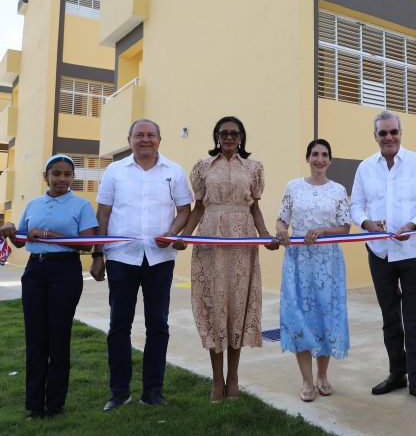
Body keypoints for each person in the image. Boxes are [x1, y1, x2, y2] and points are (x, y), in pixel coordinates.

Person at [172, 116, 277, 403]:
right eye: (224, 133)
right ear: (217, 136)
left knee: (237, 306)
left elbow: (255, 206)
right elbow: (198, 207)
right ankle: (217, 379)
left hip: (243, 240)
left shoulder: (254, 168)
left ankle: (234, 377)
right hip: (210, 239)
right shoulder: (203, 167)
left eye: (234, 133)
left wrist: (265, 234)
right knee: (215, 305)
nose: (229, 137)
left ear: (242, 137)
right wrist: (185, 235)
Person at [91, 119, 193, 411]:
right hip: (122, 257)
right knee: (119, 325)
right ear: (129, 139)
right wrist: (98, 254)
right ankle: (119, 392)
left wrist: (172, 232)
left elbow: (184, 209)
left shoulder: (174, 171)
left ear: (159, 140)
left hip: (159, 260)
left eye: (150, 135)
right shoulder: (115, 170)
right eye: (139, 135)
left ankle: (152, 392)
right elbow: (103, 213)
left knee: (158, 325)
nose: (145, 140)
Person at [350, 110, 416, 405]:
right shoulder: (365, 168)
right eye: (382, 133)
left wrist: (413, 225)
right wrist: (367, 223)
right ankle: (396, 374)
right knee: (390, 319)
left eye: (393, 132)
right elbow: (356, 206)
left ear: (401, 133)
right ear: (375, 136)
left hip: (412, 251)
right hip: (379, 251)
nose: (389, 137)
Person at [0, 155, 98, 419]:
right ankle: (34, 405)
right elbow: (22, 241)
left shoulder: (82, 205)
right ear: (46, 176)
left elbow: (87, 244)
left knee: (58, 337)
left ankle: (55, 404)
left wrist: (49, 235)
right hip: (35, 271)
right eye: (56, 174)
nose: (62, 180)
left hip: (65, 271)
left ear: (72, 178)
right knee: (35, 339)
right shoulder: (33, 204)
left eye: (67, 175)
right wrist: (10, 228)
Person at [276, 138, 352, 402]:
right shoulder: (293, 187)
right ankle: (307, 380)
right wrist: (281, 230)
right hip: (298, 261)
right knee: (300, 315)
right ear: (307, 158)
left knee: (325, 315)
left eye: (325, 155)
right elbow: (281, 219)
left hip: (328, 262)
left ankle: (322, 375)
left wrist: (322, 230)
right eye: (315, 154)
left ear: (330, 160)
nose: (320, 159)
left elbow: (345, 227)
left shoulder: (339, 190)